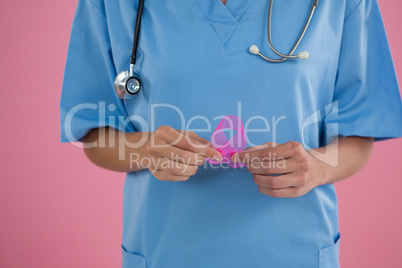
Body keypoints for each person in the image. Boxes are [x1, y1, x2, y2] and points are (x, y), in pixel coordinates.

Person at [60, 0, 402, 267]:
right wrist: (143, 149)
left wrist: (317, 166)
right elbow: (93, 132)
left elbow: (362, 128)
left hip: (295, 252)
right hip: (167, 252)